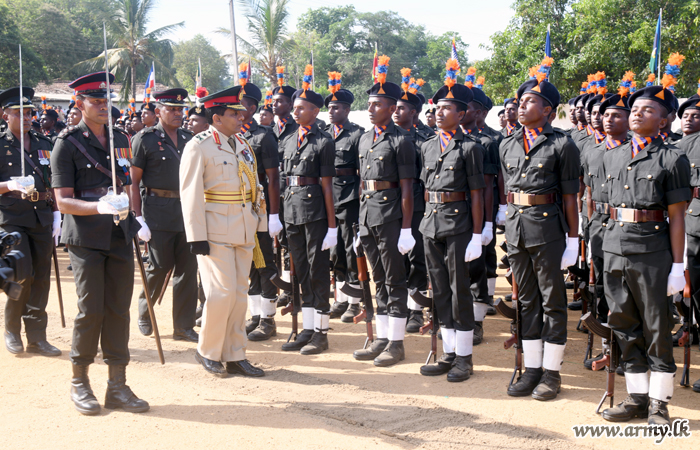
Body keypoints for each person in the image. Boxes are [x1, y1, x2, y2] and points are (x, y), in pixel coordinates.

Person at [51, 71, 148, 415]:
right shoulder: (67, 142)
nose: (104, 106)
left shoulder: (120, 137)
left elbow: (126, 183)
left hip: (119, 233)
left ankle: (117, 385)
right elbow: (63, 201)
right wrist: (98, 206)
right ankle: (80, 382)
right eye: (96, 101)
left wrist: (136, 216)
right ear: (79, 103)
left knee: (118, 310)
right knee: (90, 309)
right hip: (86, 237)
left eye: (107, 100)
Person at [600, 81, 690, 426]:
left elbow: (677, 215)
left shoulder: (672, 157)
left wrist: (677, 267)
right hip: (614, 249)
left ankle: (659, 401)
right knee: (623, 323)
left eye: (648, 109)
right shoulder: (613, 154)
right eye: (635, 108)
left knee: (657, 326)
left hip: (652, 253)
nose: (638, 113)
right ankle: (637, 395)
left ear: (664, 121)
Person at [500, 75, 580, 401]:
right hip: (516, 230)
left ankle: (552, 373)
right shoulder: (506, 142)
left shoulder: (563, 144)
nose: (521, 105)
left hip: (547, 231)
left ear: (547, 109)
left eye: (530, 101)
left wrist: (574, 239)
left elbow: (571, 196)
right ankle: (531, 369)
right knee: (526, 301)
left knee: (553, 301)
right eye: (520, 100)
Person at [179, 85, 267, 378]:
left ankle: (234, 353)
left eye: (240, 112)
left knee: (240, 294)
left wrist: (262, 224)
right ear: (217, 117)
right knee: (221, 293)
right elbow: (189, 192)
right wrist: (196, 236)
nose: (241, 117)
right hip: (214, 228)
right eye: (234, 113)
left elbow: (255, 185)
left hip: (244, 227)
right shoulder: (199, 145)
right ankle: (208, 350)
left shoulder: (242, 143)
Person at [418, 68, 485, 381]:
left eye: (446, 108)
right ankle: (448, 352)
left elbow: (477, 193)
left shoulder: (471, 148)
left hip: (458, 226)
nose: (438, 112)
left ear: (461, 114)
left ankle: (465, 358)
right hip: (431, 224)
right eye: (437, 107)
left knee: (460, 291)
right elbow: (424, 189)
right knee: (440, 290)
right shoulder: (427, 146)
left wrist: (476, 234)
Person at [352, 56, 416, 367]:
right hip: (368, 217)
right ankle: (382, 336)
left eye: (377, 104)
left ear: (391, 109)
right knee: (377, 278)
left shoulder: (401, 140)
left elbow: (406, 187)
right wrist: (357, 225)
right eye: (370, 104)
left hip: (391, 216)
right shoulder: (364, 138)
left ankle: (397, 342)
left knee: (394, 279)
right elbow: (361, 182)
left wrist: (406, 228)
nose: (371, 108)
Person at [130, 88, 199, 343]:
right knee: (159, 267)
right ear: (158, 111)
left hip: (187, 211)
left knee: (188, 270)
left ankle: (184, 326)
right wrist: (137, 218)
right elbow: (133, 183)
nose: (178, 113)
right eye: (171, 109)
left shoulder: (189, 137)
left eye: (180, 109)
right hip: (157, 210)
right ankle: (145, 311)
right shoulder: (144, 139)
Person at [278, 66, 336, 354]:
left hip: (314, 213)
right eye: (294, 107)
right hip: (291, 211)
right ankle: (307, 329)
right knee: (299, 270)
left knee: (317, 271)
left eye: (301, 108)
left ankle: (321, 333)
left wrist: (333, 226)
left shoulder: (324, 141)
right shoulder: (288, 139)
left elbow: (328, 186)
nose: (295, 112)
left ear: (314, 111)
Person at [0, 87, 61, 357]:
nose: (26, 117)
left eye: (29, 112)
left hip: (42, 215)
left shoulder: (43, 142)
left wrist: (58, 213)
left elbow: (55, 181)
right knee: (21, 272)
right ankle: (12, 328)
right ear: (5, 115)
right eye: (19, 113)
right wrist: (7, 185)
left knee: (41, 278)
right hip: (11, 216)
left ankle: (37, 336)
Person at [580, 74, 633, 369]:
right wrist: (587, 230)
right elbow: (587, 192)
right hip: (598, 225)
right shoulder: (592, 150)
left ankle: (628, 350)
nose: (606, 120)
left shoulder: (633, 152)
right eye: (603, 115)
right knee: (602, 287)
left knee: (626, 291)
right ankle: (608, 347)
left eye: (616, 116)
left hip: (626, 227)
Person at [236, 72, 283, 342]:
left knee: (264, 262)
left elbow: (273, 177)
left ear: (251, 108)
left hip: (261, 209)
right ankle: (255, 316)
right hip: (238, 209)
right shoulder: (228, 135)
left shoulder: (263, 136)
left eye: (240, 103)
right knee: (248, 263)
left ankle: (268, 318)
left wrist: (274, 215)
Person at [459, 76, 497, 344]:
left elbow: (488, 186)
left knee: (477, 267)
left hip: (476, 212)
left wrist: (486, 223)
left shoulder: (487, 142)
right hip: (452, 213)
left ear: (480, 112)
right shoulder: (449, 138)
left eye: (467, 106)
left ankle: (477, 320)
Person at [325, 73, 365, 322]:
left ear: (347, 110)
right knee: (335, 250)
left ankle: (355, 300)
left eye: (336, 107)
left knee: (351, 249)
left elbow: (363, 170)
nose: (331, 111)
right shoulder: (323, 132)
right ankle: (341, 298)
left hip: (349, 196)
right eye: (329, 107)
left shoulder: (357, 134)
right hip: (328, 195)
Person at [393, 69, 430, 333]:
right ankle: (400, 306)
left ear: (414, 113)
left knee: (418, 256)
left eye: (402, 108)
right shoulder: (386, 136)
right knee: (396, 257)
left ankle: (416, 309)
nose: (396, 112)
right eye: (394, 107)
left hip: (417, 204)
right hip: (390, 203)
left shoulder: (426, 138)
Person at [270, 67, 299, 308]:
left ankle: (292, 289)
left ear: (290, 103)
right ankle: (279, 286)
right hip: (272, 194)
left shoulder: (297, 129)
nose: (274, 104)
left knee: (289, 243)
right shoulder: (270, 129)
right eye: (272, 100)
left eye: (279, 101)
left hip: (291, 193)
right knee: (275, 242)